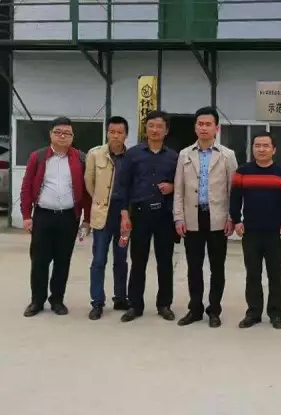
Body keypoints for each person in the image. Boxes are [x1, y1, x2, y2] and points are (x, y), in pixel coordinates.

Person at [20, 116, 91, 317]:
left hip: (68, 217)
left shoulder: (80, 158)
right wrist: (26, 215)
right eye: (58, 132)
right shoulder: (38, 157)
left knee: (62, 260)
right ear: (50, 134)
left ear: (72, 137)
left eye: (67, 133)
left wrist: (86, 219)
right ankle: (37, 300)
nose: (62, 136)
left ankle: (57, 300)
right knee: (39, 261)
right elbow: (26, 187)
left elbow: (87, 192)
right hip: (43, 216)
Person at [174, 106, 238, 328]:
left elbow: (233, 190)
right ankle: (195, 309)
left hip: (217, 218)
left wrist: (231, 217)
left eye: (208, 124)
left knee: (217, 267)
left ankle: (214, 310)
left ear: (216, 128)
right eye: (200, 124)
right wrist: (178, 217)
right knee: (194, 267)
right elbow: (178, 189)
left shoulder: (227, 155)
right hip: (192, 217)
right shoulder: (184, 154)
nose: (204, 128)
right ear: (195, 127)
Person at [115, 110, 178, 323]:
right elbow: (122, 185)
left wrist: (172, 187)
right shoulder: (133, 154)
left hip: (164, 215)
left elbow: (182, 184)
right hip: (140, 214)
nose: (155, 130)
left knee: (165, 262)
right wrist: (124, 214)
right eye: (151, 126)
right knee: (138, 261)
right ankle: (135, 305)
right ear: (145, 128)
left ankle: (164, 304)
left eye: (159, 126)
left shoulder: (174, 157)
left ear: (166, 130)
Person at [229, 132, 281, 330]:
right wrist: (236, 220)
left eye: (266, 146)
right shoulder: (243, 172)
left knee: (275, 274)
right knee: (253, 274)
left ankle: (276, 313)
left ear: (274, 149)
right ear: (252, 148)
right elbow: (235, 198)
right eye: (257, 146)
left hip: (275, 232)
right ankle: (253, 313)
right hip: (251, 231)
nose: (261, 149)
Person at [85, 116, 130, 320]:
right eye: (112, 132)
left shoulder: (131, 157)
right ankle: (97, 302)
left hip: (124, 216)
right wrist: (101, 201)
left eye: (119, 132)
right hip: (103, 213)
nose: (115, 136)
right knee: (99, 259)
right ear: (107, 133)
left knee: (121, 259)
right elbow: (89, 183)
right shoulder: (95, 154)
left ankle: (120, 298)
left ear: (126, 135)